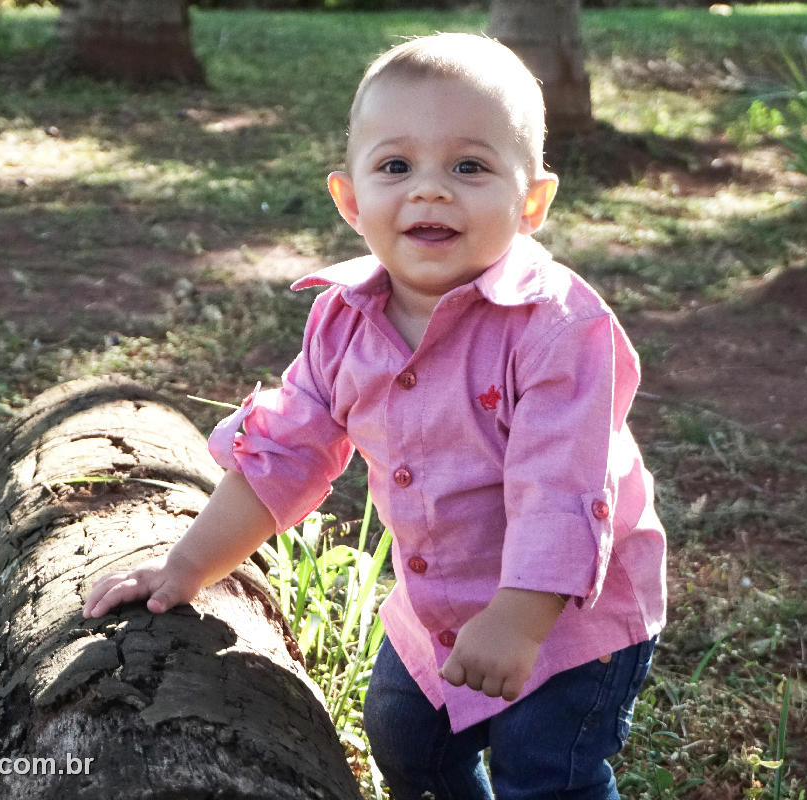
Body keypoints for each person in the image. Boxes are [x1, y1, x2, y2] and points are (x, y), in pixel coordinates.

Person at [83, 32, 666, 800]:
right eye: (396, 166)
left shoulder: (558, 328)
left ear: (531, 202)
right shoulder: (342, 322)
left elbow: (560, 484)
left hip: (565, 623)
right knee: (404, 740)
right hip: (433, 609)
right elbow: (282, 456)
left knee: (543, 770)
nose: (430, 191)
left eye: (469, 166)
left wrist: (518, 619)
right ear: (351, 199)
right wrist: (185, 567)